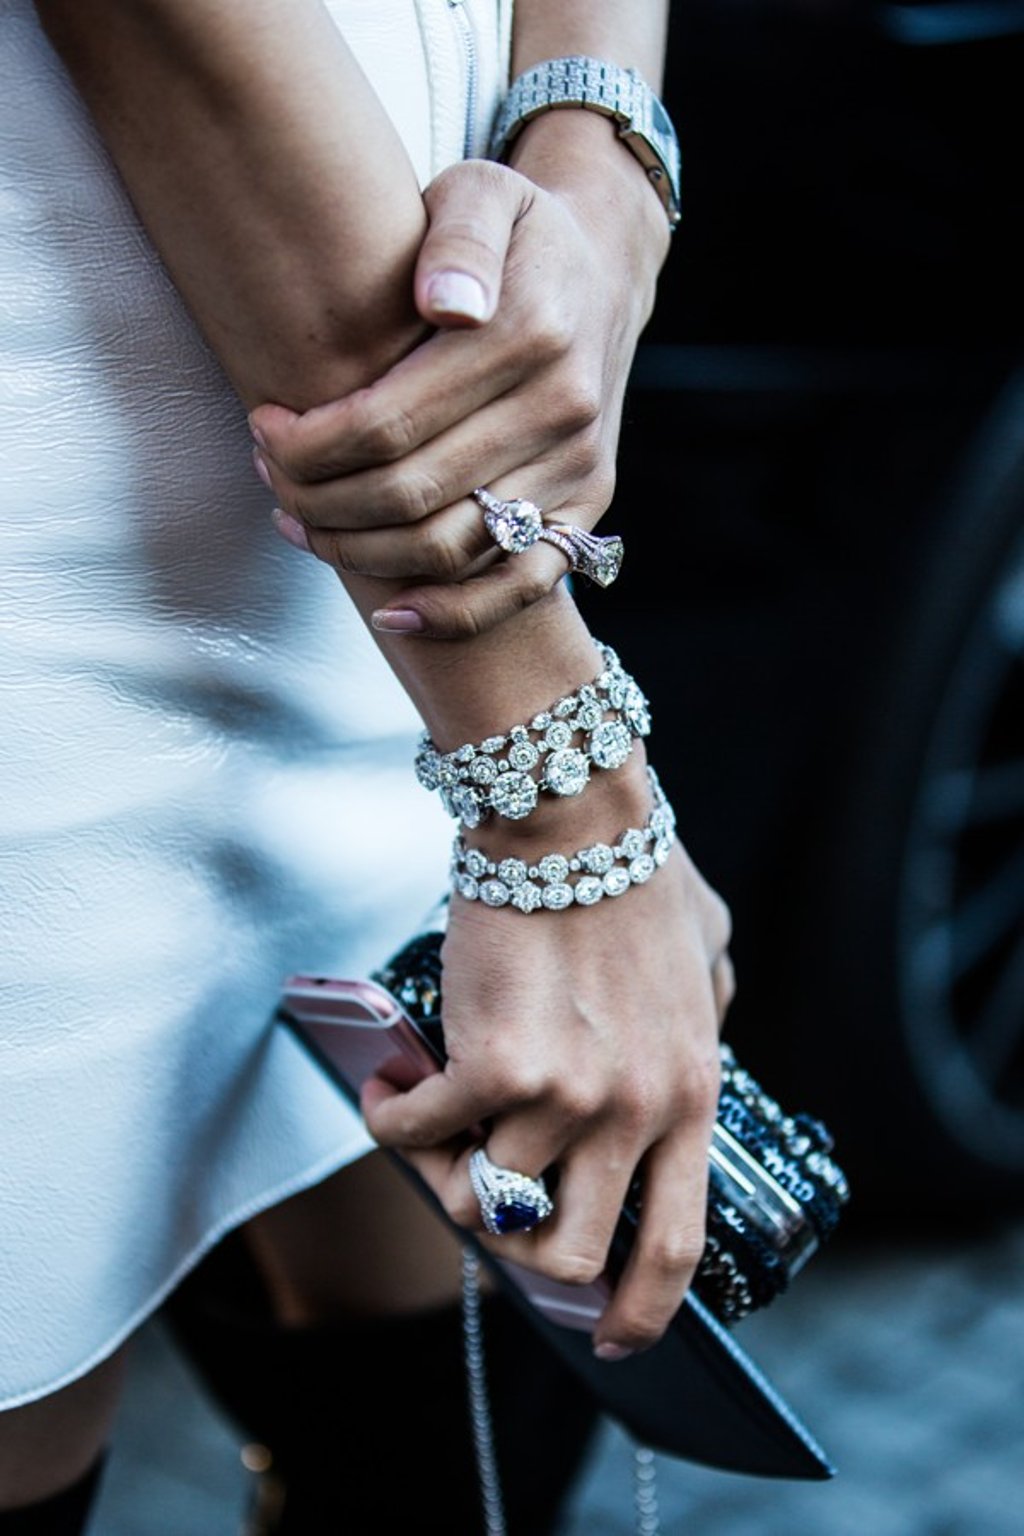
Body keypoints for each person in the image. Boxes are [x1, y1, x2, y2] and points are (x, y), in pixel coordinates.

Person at [0, 2, 734, 1530]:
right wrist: (562, 803)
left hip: (426, 493)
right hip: (66, 508)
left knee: (455, 1447)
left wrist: (597, 145)